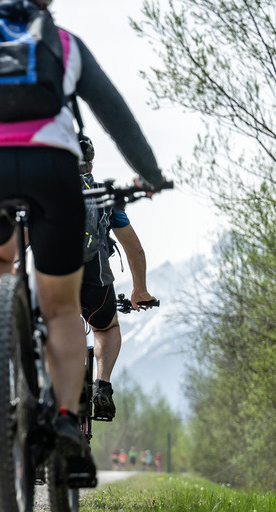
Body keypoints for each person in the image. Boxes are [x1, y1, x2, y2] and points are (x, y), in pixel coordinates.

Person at [0, 0, 167, 486]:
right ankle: (69, 422)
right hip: (52, 170)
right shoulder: (64, 42)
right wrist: (150, 174)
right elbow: (115, 114)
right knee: (60, 306)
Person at [78, 135, 157, 420]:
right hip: (94, 281)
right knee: (106, 327)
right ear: (90, 163)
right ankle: (102, 385)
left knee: (49, 329)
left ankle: (46, 396)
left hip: (52, 282)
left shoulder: (45, 194)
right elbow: (134, 249)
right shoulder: (104, 198)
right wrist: (140, 290)